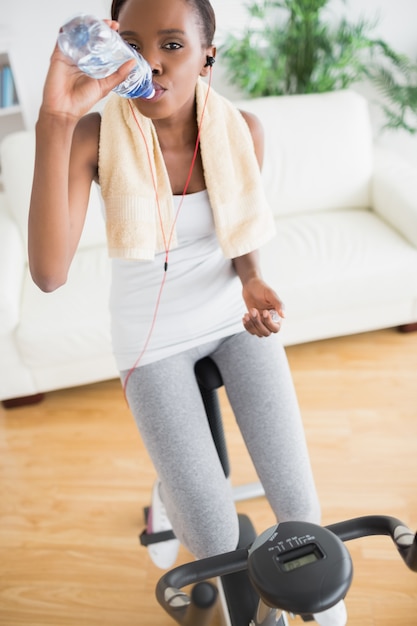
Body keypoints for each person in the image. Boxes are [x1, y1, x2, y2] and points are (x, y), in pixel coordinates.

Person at [28, 0, 346, 623]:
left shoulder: (244, 129)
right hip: (154, 342)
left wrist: (253, 279)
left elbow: (243, 222)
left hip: (234, 317)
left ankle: (322, 614)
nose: (151, 62)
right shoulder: (93, 136)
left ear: (208, 53)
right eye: (135, 46)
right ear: (113, 50)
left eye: (173, 44)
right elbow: (48, 274)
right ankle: (257, 611)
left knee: (300, 506)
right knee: (210, 530)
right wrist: (56, 118)